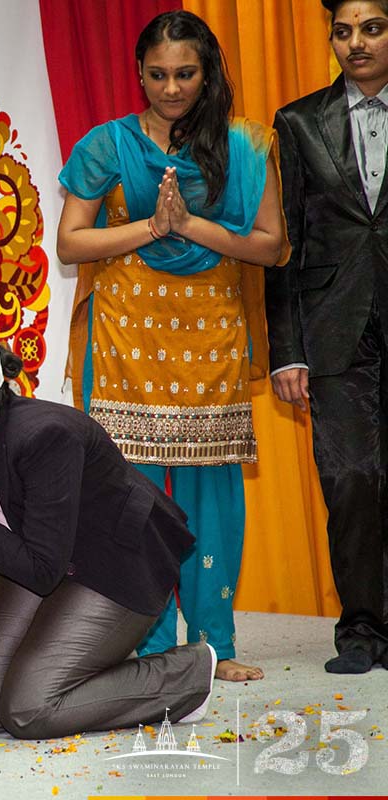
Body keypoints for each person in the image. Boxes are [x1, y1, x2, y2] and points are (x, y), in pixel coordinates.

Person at [56, 10, 288, 683]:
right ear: (138, 74)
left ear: (206, 71)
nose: (171, 87)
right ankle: (150, 641)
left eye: (185, 73)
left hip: (210, 339)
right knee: (134, 495)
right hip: (126, 341)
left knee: (210, 490)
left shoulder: (243, 146)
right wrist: (150, 230)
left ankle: (214, 640)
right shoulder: (107, 144)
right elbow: (72, 242)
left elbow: (271, 245)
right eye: (157, 74)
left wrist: (192, 226)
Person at [0, 329, 214, 738]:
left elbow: (39, 569)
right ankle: (76, 664)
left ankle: (187, 675)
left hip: (116, 563)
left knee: (29, 710)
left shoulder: (44, 436)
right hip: (44, 561)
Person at [269, 0, 388, 674]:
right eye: (343, 32)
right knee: (349, 479)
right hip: (333, 324)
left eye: (371, 28)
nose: (355, 43)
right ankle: (362, 632)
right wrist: (287, 348)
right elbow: (287, 239)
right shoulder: (298, 121)